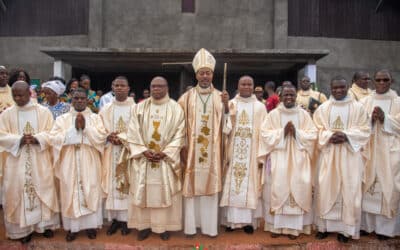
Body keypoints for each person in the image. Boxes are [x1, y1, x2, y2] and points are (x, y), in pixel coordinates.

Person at [121, 76, 185, 241]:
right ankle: (144, 226)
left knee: (164, 193)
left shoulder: (176, 108)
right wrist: (143, 151)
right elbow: (132, 131)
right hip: (144, 160)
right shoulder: (139, 108)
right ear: (149, 88)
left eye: (160, 86)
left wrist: (166, 152)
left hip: (165, 160)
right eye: (153, 86)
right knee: (144, 192)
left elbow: (181, 133)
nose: (156, 89)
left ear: (167, 88)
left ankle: (163, 227)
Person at [0, 81, 60, 243]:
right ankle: (23, 230)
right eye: (15, 96)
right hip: (16, 161)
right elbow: (1, 135)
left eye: (21, 95)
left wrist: (37, 139)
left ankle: (44, 226)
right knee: (18, 192)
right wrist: (18, 140)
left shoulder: (43, 112)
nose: (18, 98)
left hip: (39, 159)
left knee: (44, 188)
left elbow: (52, 133)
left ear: (29, 93)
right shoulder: (7, 114)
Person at [178, 48, 228, 237]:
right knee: (192, 186)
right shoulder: (186, 98)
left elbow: (227, 126)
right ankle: (191, 227)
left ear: (212, 74)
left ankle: (209, 227)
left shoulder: (220, 97)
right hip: (191, 152)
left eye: (208, 73)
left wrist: (226, 107)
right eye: (201, 73)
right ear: (196, 74)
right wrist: (182, 145)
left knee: (209, 186)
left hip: (212, 154)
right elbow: (179, 123)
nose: (205, 76)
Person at [313, 76, 370, 242]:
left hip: (349, 157)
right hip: (329, 155)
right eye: (335, 88)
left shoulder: (358, 108)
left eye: (342, 88)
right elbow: (315, 130)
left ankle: (345, 231)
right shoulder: (323, 108)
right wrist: (329, 136)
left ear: (347, 88)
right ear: (330, 88)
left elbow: (365, 130)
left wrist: (346, 136)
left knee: (349, 190)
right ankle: (324, 227)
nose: (338, 91)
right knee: (325, 188)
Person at [260, 85, 317, 239]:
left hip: (299, 159)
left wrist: (296, 133)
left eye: (292, 95)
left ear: (296, 96)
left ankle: (294, 228)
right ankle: (275, 227)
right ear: (280, 96)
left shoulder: (304, 115)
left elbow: (313, 135)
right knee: (277, 189)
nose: (289, 98)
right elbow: (264, 134)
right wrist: (282, 133)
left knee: (297, 189)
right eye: (286, 95)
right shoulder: (273, 115)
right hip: (279, 158)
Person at [50, 88, 107, 241]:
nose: (79, 101)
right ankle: (72, 228)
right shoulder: (62, 119)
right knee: (70, 191)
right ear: (71, 100)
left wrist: (86, 128)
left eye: (82, 98)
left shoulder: (95, 118)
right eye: (76, 98)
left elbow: (101, 137)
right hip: (69, 161)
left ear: (88, 100)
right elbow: (54, 138)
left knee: (91, 190)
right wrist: (74, 130)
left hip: (89, 159)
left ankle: (91, 226)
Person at [220, 76, 267, 234]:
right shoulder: (231, 104)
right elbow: (225, 129)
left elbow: (264, 133)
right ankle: (230, 221)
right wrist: (225, 108)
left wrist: (262, 157)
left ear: (253, 87)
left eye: (249, 84)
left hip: (252, 154)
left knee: (250, 187)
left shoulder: (260, 107)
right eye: (243, 84)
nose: (246, 87)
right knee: (233, 185)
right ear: (238, 86)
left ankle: (248, 222)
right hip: (233, 152)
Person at [359, 69, 400, 239]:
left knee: (387, 187)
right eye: (378, 80)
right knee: (365, 186)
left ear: (391, 81)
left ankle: (385, 230)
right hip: (368, 150)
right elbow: (358, 123)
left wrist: (385, 119)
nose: (382, 83)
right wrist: (370, 119)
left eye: (385, 80)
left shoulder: (398, 102)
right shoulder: (364, 101)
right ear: (373, 82)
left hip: (389, 152)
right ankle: (366, 226)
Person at [99, 76, 135, 236]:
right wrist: (108, 136)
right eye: (116, 85)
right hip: (111, 152)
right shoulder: (106, 108)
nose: (119, 88)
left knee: (127, 185)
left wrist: (124, 139)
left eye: (122, 85)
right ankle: (114, 220)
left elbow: (140, 131)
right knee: (113, 185)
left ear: (128, 88)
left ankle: (126, 220)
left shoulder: (136, 108)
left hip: (128, 154)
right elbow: (99, 128)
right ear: (112, 88)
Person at [0, 65, 13, 207]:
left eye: (5, 73)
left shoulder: (14, 92)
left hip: (9, 137)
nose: (3, 76)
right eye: (0, 73)